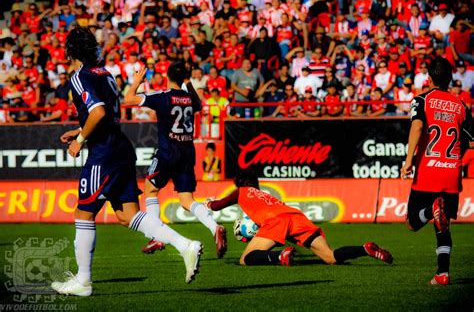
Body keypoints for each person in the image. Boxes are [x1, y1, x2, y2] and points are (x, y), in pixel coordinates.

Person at [51, 27, 203, 297]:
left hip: (103, 153)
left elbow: (97, 111)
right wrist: (81, 129)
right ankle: (185, 245)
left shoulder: (79, 76)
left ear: (70, 51)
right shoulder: (105, 73)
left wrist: (81, 138)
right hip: (120, 147)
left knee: (83, 214)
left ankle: (83, 281)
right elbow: (109, 111)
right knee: (128, 215)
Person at [124, 61, 227, 258]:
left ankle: (156, 235)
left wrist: (137, 81)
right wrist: (187, 82)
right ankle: (214, 227)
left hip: (167, 151)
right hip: (187, 152)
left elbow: (128, 100)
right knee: (187, 200)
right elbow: (198, 104)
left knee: (150, 189)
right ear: (185, 79)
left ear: (166, 77)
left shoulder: (163, 97)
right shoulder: (190, 98)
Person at [205, 170, 393, 267]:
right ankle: (364, 249)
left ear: (240, 184)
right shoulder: (268, 196)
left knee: (245, 259)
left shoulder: (241, 191)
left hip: (276, 220)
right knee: (330, 257)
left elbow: (217, 206)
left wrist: (208, 203)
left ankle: (280, 256)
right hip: (296, 216)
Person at [400, 57, 474, 285]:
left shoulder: (422, 99)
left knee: (412, 222)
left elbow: (418, 126)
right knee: (444, 227)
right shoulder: (461, 105)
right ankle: (442, 274)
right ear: (451, 79)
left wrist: (409, 159)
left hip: (428, 171)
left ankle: (431, 211)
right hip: (451, 172)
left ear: (429, 78)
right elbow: (470, 142)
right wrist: (456, 160)